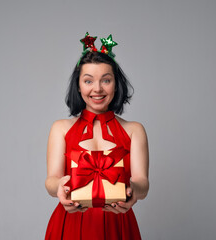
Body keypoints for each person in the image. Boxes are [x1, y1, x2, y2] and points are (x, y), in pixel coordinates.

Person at [45, 33, 149, 240]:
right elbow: (51, 180)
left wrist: (132, 191)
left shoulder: (134, 130)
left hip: (118, 224)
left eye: (106, 80)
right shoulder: (60, 128)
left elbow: (143, 183)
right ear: (78, 86)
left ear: (116, 85)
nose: (97, 89)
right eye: (88, 81)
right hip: (69, 223)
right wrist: (59, 187)